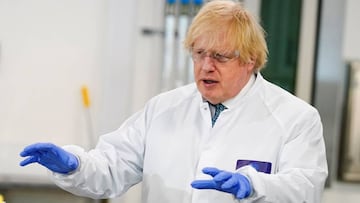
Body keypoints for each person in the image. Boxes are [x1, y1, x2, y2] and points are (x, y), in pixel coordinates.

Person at [19, 0, 328, 202]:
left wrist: (254, 186)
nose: (206, 66)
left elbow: (306, 188)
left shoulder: (295, 118)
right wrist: (74, 164)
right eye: (199, 54)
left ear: (250, 60)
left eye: (219, 56)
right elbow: (112, 168)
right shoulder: (163, 109)